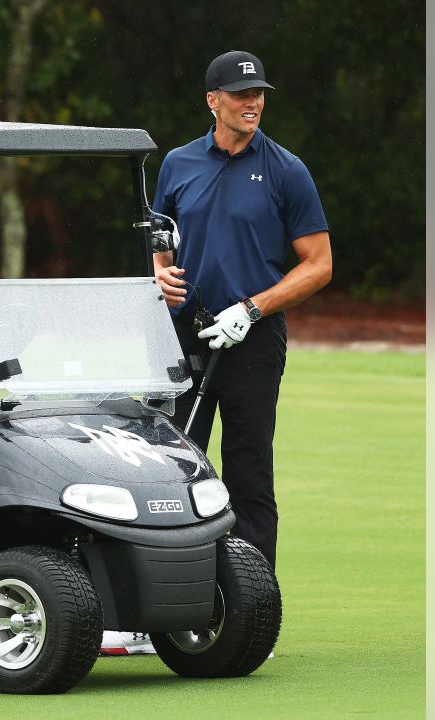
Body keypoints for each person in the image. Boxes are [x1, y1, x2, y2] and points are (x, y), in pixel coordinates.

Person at [101, 50, 332, 657]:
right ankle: (147, 613)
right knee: (165, 471)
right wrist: (158, 275)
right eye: (239, 94)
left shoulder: (286, 171)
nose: (252, 103)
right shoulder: (178, 164)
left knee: (249, 472)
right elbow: (160, 241)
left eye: (258, 94)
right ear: (213, 101)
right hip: (182, 339)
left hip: (252, 339)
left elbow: (319, 264)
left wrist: (253, 308)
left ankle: (250, 615)